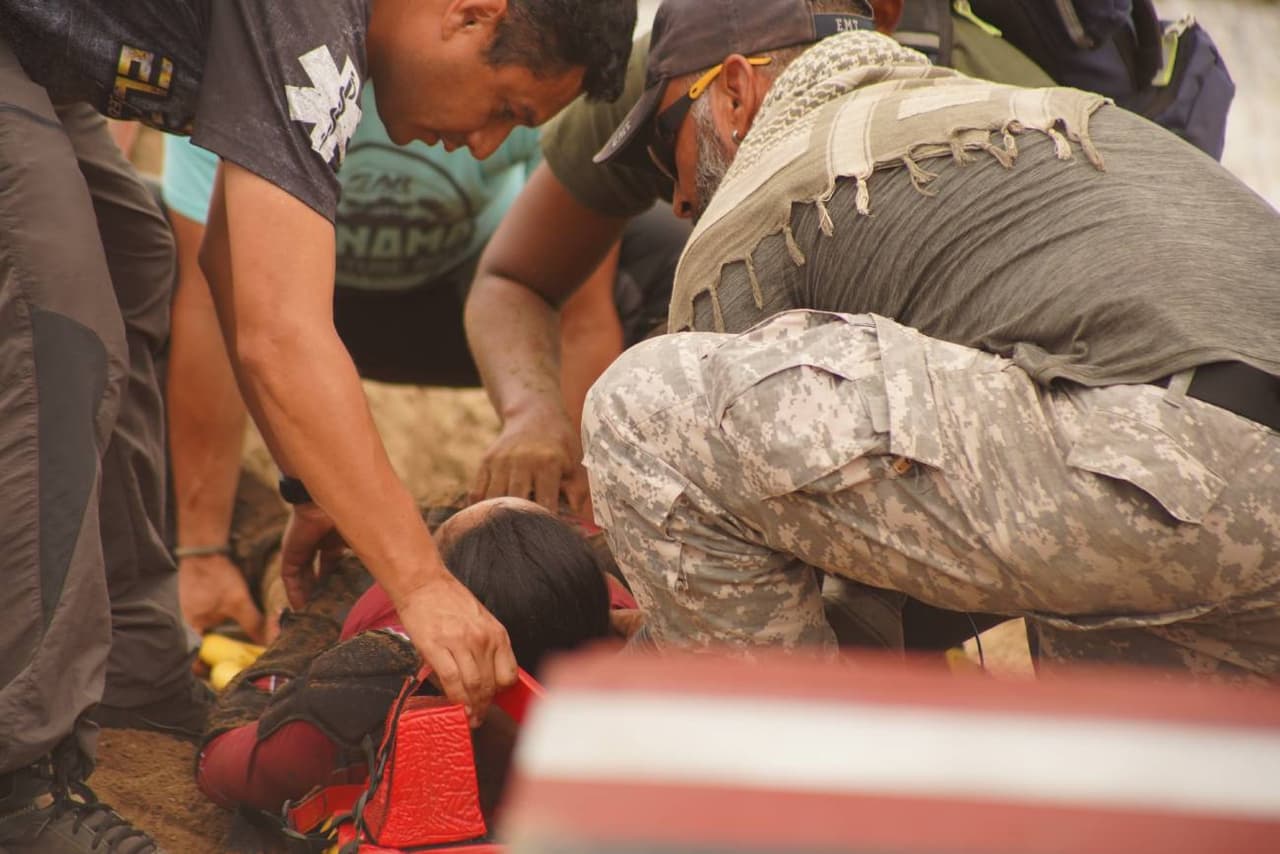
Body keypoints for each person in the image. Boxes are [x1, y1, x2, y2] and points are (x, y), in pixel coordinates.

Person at [0, 0, 634, 850]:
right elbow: (279, 331)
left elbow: (232, 263)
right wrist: (426, 588)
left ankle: (131, 669)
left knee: (127, 262)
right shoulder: (316, 20)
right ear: (472, 15)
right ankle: (24, 775)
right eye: (506, 109)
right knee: (55, 319)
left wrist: (308, 484)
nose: (488, 146)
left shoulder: (320, 37)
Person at [580, 0, 1280, 676]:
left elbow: (696, 509)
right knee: (1146, 772)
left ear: (735, 94)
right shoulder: (1008, 114)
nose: (674, 198)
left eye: (661, 140)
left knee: (648, 407)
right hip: (1214, 492)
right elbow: (885, 531)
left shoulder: (774, 181)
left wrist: (625, 660)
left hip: (1173, 454)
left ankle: (787, 782)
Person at [464, 0, 1059, 516]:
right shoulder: (674, 72)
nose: (678, 200)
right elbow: (515, 278)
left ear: (884, 19)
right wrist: (532, 413)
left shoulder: (1011, 115)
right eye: (663, 158)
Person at [162, 94, 686, 642]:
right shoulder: (258, 64)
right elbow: (209, 302)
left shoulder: (540, 50)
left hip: (471, 308)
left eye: (517, 119)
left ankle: (632, 533)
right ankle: (216, 548)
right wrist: (201, 551)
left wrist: (578, 520)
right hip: (305, 301)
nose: (488, 144)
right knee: (137, 244)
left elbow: (580, 315)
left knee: (660, 250)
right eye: (501, 107)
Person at [195, 497, 619, 812]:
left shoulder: (360, 693)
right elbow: (226, 763)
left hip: (450, 549)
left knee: (273, 546)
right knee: (284, 561)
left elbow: (220, 760)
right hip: (424, 543)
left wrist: (300, 662)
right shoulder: (366, 687)